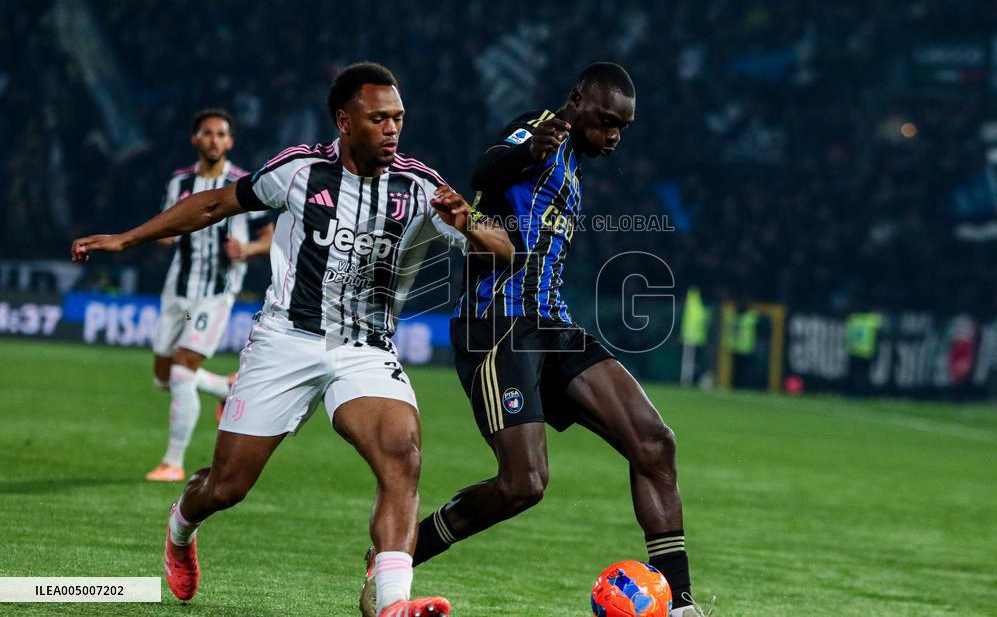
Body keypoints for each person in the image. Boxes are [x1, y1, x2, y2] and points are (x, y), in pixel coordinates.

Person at [72, 62, 513, 617]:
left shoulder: (421, 186)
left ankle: (391, 603)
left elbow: (505, 250)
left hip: (365, 348)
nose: (393, 130)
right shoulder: (299, 170)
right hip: (285, 339)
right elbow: (213, 204)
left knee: (401, 457)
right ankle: (182, 524)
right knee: (227, 487)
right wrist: (125, 239)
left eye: (398, 118)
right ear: (344, 120)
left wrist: (469, 220)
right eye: (379, 119)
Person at [364, 63, 711, 616]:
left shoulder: (572, 162)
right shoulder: (539, 129)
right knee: (523, 483)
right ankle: (400, 554)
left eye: (621, 127)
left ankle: (682, 605)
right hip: (497, 325)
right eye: (604, 122)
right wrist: (528, 150)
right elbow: (487, 167)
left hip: (550, 323)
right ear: (577, 102)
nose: (612, 136)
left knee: (654, 442)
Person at [147, 108, 274, 483]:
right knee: (162, 376)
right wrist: (163, 234)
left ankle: (172, 463)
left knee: (183, 370)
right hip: (178, 292)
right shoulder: (179, 183)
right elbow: (167, 223)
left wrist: (248, 250)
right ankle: (225, 386)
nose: (214, 139)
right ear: (196, 139)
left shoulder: (242, 184)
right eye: (207, 133)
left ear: (230, 141)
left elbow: (267, 237)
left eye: (221, 134)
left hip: (216, 294)